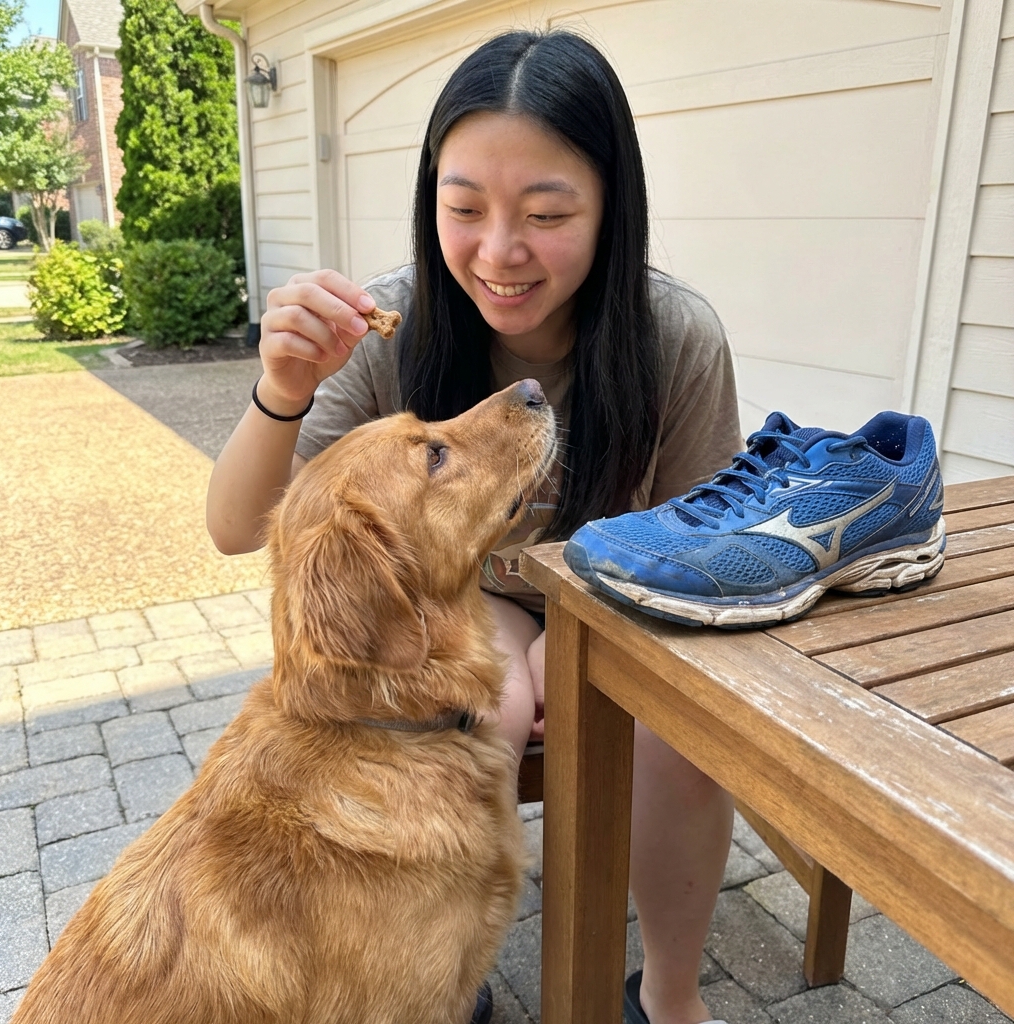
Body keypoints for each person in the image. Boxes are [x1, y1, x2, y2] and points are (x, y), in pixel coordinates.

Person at [207, 30, 743, 1024]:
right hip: (470, 598)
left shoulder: (677, 338)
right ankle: (439, 977)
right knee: (467, 708)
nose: (498, 253)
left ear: (609, 210)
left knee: (681, 736)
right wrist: (281, 387)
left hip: (624, 592)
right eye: (464, 210)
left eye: (545, 213)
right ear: (430, 204)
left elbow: (707, 545)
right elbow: (239, 526)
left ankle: (669, 996)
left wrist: (585, 640)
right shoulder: (392, 327)